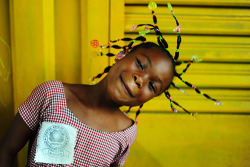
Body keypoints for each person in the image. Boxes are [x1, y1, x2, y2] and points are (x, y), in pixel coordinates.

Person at [0, 41, 175, 166]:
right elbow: (6, 150)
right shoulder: (52, 95)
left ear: (148, 99)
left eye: (152, 86)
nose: (140, 80)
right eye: (140, 64)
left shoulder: (127, 132)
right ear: (121, 56)